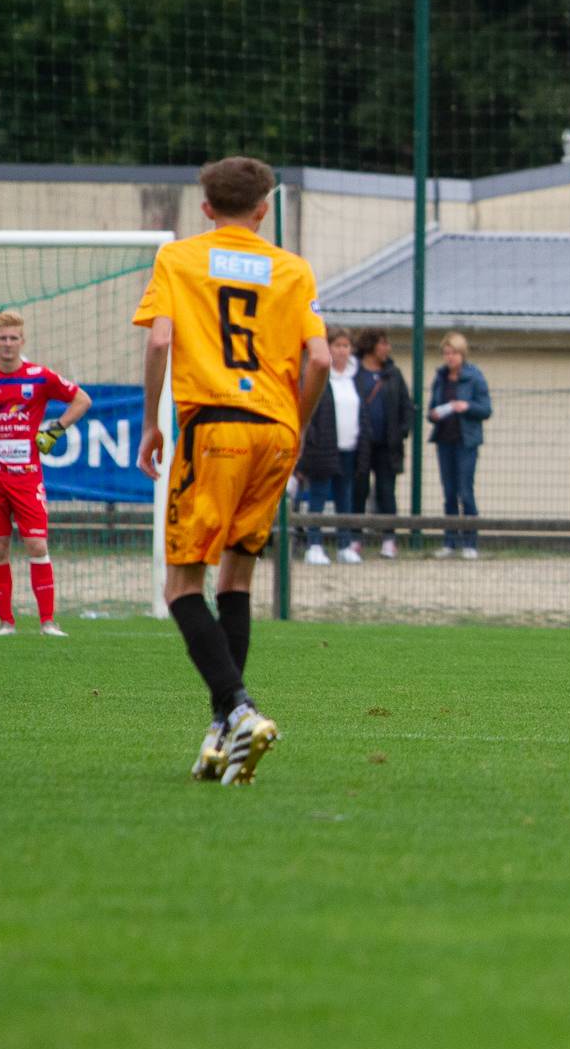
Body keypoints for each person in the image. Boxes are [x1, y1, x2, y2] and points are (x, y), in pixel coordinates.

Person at [134, 155, 330, 785]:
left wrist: (151, 423)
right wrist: (294, 426)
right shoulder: (293, 269)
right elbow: (321, 360)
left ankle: (240, 709)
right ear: (264, 210)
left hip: (215, 426)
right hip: (275, 430)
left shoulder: (179, 258)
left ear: (206, 208)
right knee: (236, 578)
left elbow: (159, 341)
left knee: (181, 586)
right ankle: (221, 734)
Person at [0, 309, 91, 636]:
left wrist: (55, 429)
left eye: (13, 338)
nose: (8, 343)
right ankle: (6, 623)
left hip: (27, 477)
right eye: (2, 338)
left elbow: (82, 400)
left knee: (36, 545)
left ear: (23, 341)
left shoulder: (39, 376)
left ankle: (48, 622)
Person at [295, 326, 361, 565]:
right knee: (318, 496)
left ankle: (345, 544)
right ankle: (314, 545)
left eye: (346, 346)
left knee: (345, 497)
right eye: (337, 345)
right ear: (328, 348)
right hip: (322, 449)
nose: (342, 350)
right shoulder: (319, 375)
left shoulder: (356, 377)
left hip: (349, 447)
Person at [427, 332, 491, 559]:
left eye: (453, 353)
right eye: (446, 353)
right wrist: (434, 414)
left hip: (466, 442)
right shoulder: (440, 378)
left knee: (466, 491)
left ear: (462, 354)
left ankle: (470, 543)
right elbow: (431, 409)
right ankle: (450, 542)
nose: (449, 357)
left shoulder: (475, 377)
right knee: (449, 493)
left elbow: (486, 409)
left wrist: (467, 406)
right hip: (445, 441)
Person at [350, 328, 413, 558]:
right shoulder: (353, 372)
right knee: (359, 490)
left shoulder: (393, 374)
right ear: (371, 345)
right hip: (360, 444)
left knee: (387, 491)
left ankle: (389, 539)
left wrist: (401, 431)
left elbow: (406, 406)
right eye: (383, 343)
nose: (388, 348)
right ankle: (354, 538)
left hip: (387, 445)